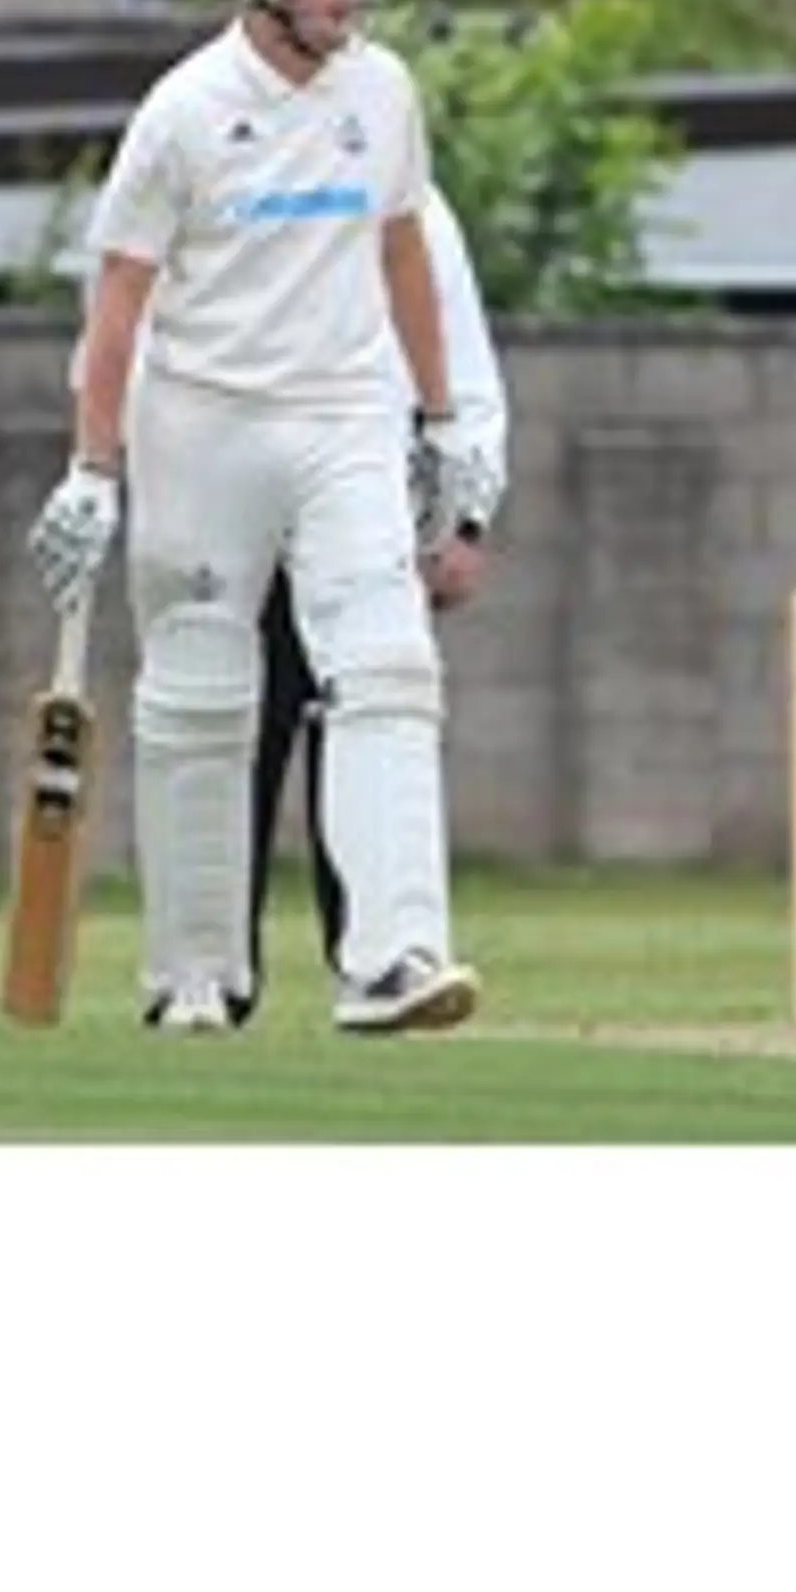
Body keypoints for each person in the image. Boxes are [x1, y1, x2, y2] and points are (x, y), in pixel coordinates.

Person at [26, 0, 499, 1036]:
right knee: (198, 695)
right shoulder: (183, 112)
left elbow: (402, 260)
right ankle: (194, 975)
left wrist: (438, 422)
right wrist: (95, 467)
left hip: (343, 415)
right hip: (203, 421)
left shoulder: (383, 93)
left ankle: (394, 957)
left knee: (386, 667)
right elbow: (120, 304)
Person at [245, 181, 508, 1015]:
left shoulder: (418, 206)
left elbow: (464, 364)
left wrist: (466, 517)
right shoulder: (222, 166)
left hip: (375, 517)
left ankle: (380, 958)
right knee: (236, 743)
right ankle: (210, 974)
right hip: (248, 513)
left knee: (374, 722)